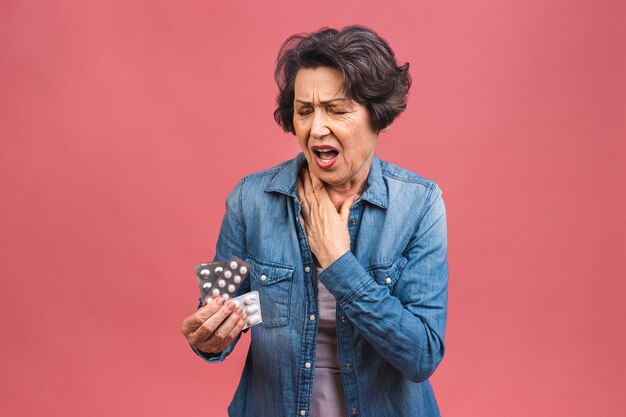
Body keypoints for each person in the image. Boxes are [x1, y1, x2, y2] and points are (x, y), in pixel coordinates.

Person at [181, 25, 448, 417]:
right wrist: (209, 337)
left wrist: (340, 265)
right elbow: (221, 314)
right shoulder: (249, 200)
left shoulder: (420, 205)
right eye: (304, 111)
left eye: (336, 110)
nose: (316, 128)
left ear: (379, 117)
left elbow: (422, 355)